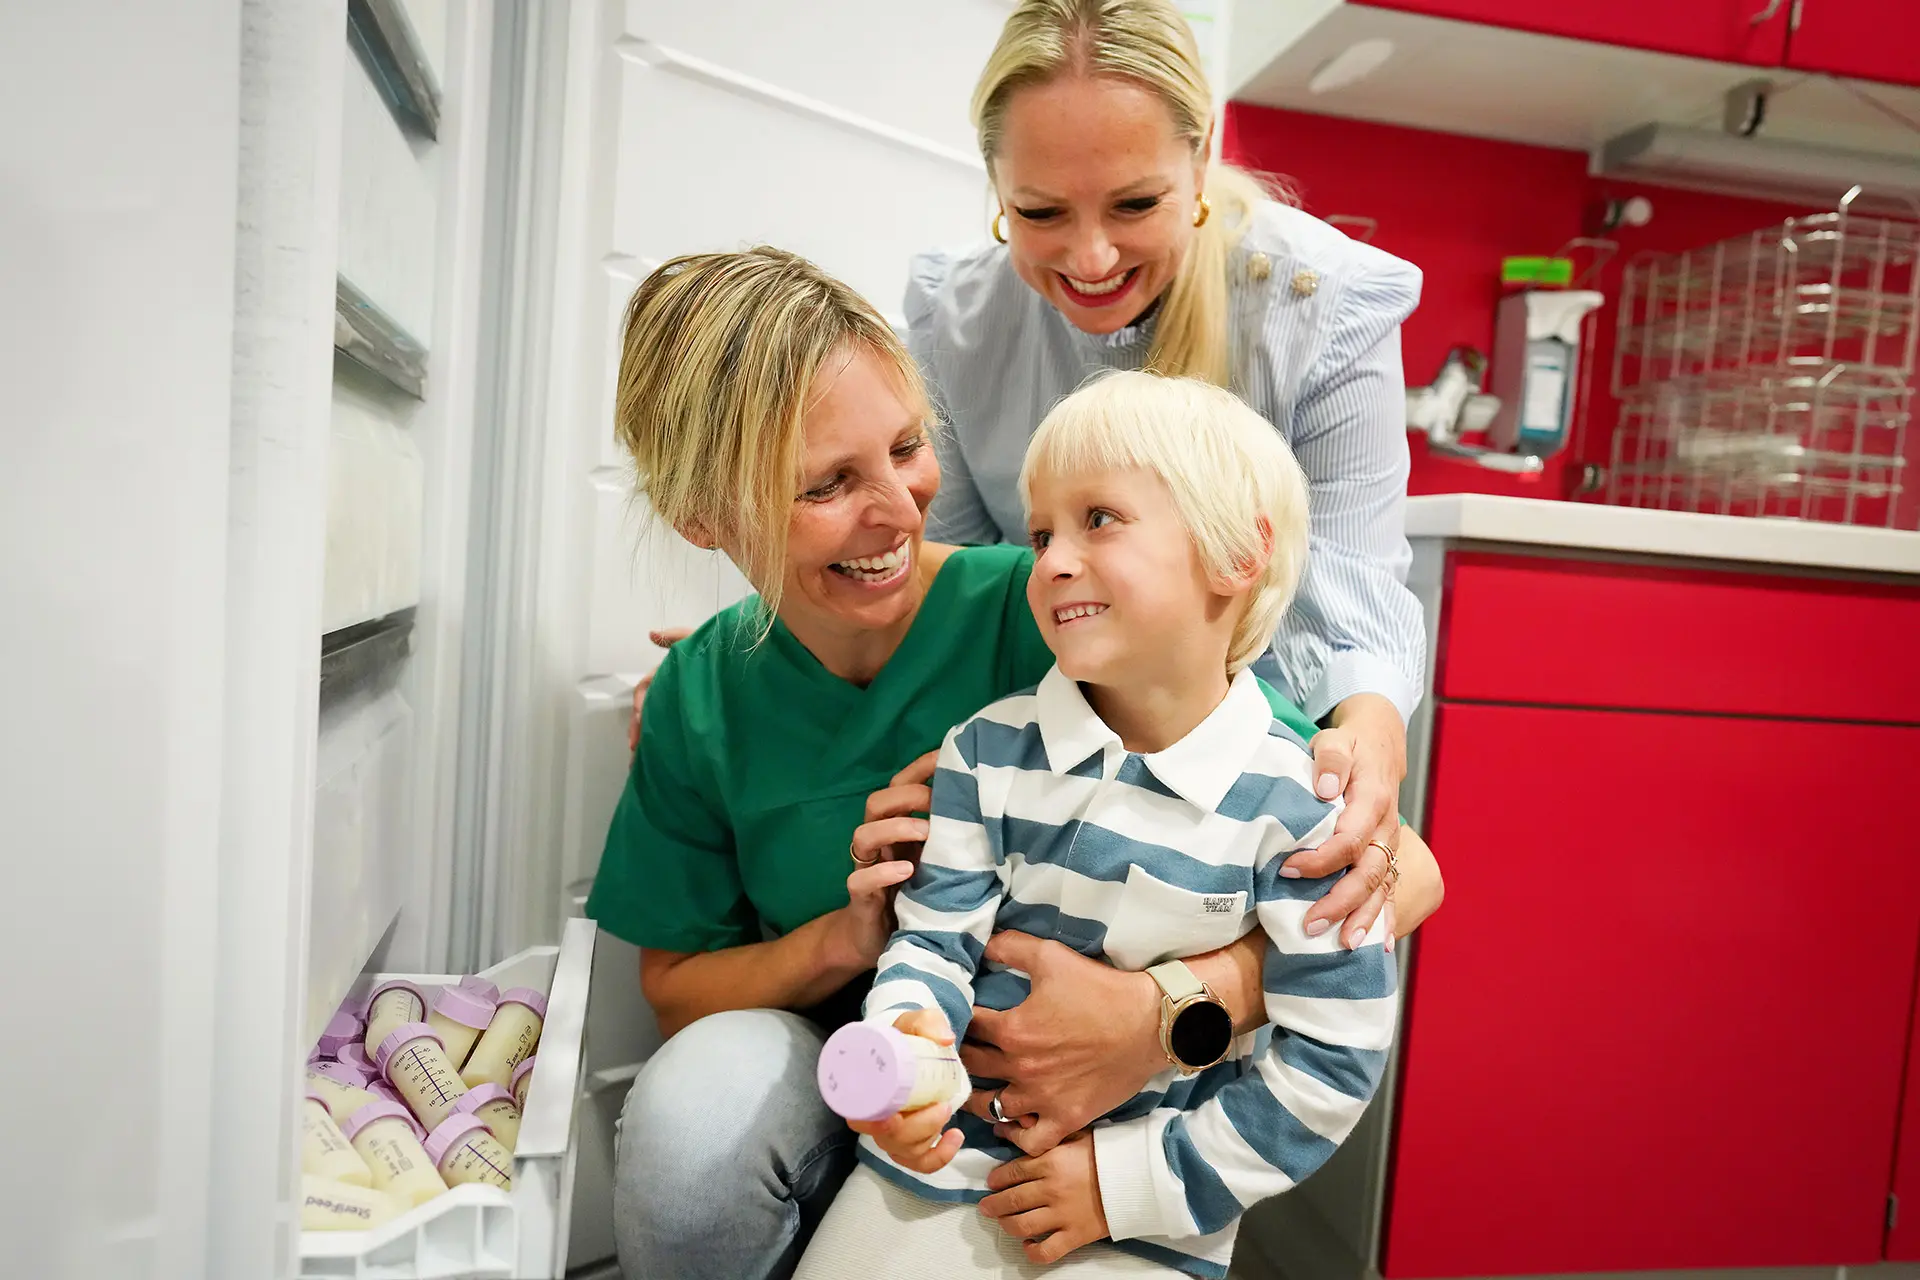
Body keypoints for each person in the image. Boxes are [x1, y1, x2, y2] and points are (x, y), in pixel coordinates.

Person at [590, 246, 1441, 1280]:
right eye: (828, 484)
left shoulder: (1053, 610)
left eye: (907, 447)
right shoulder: (704, 691)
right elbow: (675, 988)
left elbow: (1400, 872)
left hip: (1097, 1115)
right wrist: (851, 938)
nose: (900, 509)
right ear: (706, 520)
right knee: (687, 1127)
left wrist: (1160, 1015)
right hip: (870, 1080)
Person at [794, 372, 1397, 1280]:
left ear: (1238, 554)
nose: (1051, 561)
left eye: (1099, 521)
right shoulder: (984, 754)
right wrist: (911, 1052)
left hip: (1144, 1216)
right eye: (1041, 535)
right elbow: (930, 947)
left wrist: (1125, 1186)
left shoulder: (1300, 804)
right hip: (937, 1167)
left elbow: (1333, 1063)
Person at [908, 0, 1427, 920]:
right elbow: (944, 583)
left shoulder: (1322, 306)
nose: (1092, 255)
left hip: (1242, 776)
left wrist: (1368, 743)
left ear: (1201, 156)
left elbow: (1350, 593)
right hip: (1040, 764)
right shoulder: (958, 317)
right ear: (995, 187)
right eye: (1038, 211)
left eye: (1136, 204)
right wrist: (759, 652)